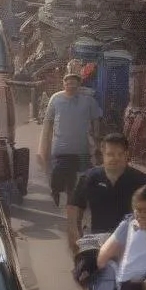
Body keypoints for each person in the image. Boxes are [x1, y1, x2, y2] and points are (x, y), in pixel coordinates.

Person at [68, 133, 146, 253]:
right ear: (102, 153)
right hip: (97, 245)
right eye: (110, 154)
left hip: (131, 246)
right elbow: (74, 209)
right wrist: (77, 240)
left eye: (119, 154)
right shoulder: (89, 178)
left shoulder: (142, 182)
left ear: (126, 154)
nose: (115, 159)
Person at [39, 72, 102, 206]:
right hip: (61, 147)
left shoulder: (88, 101)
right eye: (68, 83)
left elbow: (95, 119)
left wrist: (96, 136)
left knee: (80, 177)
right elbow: (48, 121)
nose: (70, 85)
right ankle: (55, 191)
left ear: (79, 85)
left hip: (82, 147)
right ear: (63, 84)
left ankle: (73, 201)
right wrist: (46, 142)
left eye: (74, 83)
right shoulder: (56, 99)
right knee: (57, 174)